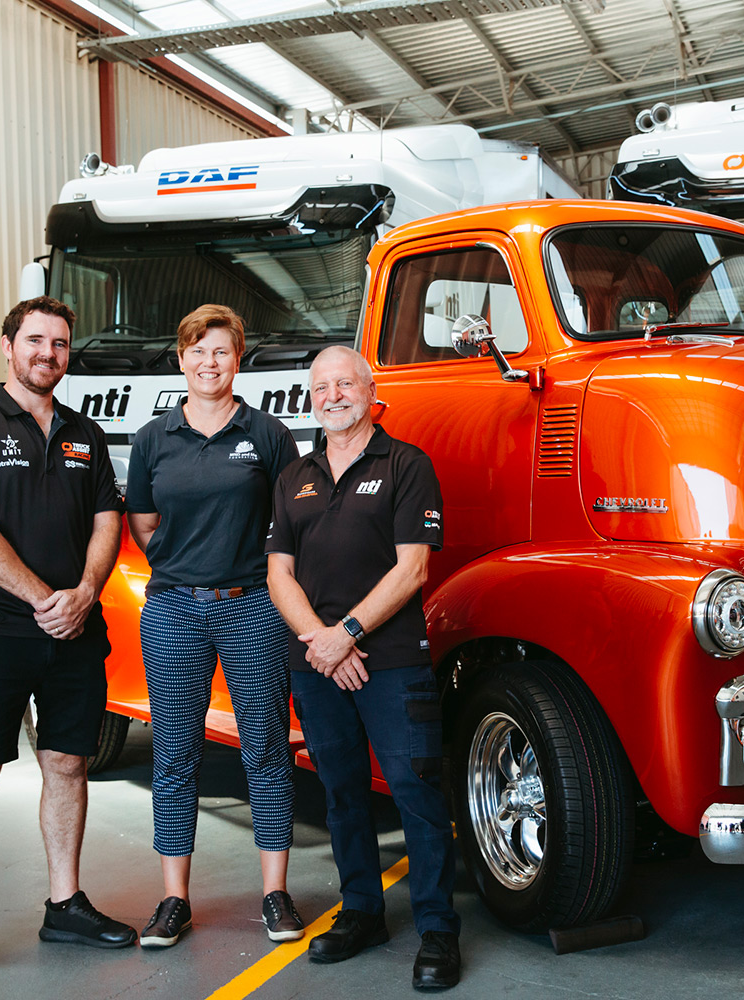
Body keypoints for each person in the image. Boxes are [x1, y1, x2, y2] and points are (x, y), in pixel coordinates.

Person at [0, 296, 133, 995]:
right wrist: (44, 597)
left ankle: (64, 904)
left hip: (75, 631)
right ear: (8, 346)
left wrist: (86, 592)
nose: (48, 353)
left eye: (60, 343)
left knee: (68, 764)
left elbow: (107, 520)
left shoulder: (84, 432)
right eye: (35, 340)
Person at [265, 345, 461, 991]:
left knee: (415, 794)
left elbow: (413, 567)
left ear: (369, 391)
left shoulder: (406, 465)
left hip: (392, 663)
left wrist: (346, 634)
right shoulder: (295, 475)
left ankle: (437, 929)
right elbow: (279, 574)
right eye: (321, 387)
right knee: (343, 795)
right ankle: (361, 913)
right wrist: (320, 643)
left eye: (343, 383)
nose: (332, 395)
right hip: (315, 664)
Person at [125, 304, 303, 948]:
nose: (210, 362)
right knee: (174, 755)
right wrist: (181, 565)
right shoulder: (152, 439)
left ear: (238, 358)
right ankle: (174, 900)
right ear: (182, 359)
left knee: (264, 749)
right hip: (173, 608)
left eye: (221, 351)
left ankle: (275, 894)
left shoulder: (269, 434)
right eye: (198, 351)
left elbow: (291, 522)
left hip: (252, 604)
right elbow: (143, 522)